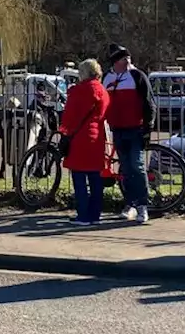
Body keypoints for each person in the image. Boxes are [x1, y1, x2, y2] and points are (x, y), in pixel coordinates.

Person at [102, 44, 156, 223]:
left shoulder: (137, 76)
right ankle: (130, 203)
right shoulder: (107, 77)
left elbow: (149, 103)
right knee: (125, 169)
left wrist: (148, 127)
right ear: (115, 61)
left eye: (128, 58)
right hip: (117, 128)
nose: (127, 61)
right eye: (123, 58)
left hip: (135, 128)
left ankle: (142, 206)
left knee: (137, 166)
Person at [62, 59, 111, 226]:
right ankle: (95, 214)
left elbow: (69, 115)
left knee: (79, 177)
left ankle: (83, 214)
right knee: (96, 178)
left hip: (81, 138)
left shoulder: (79, 91)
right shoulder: (103, 91)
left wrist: (64, 131)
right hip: (97, 138)